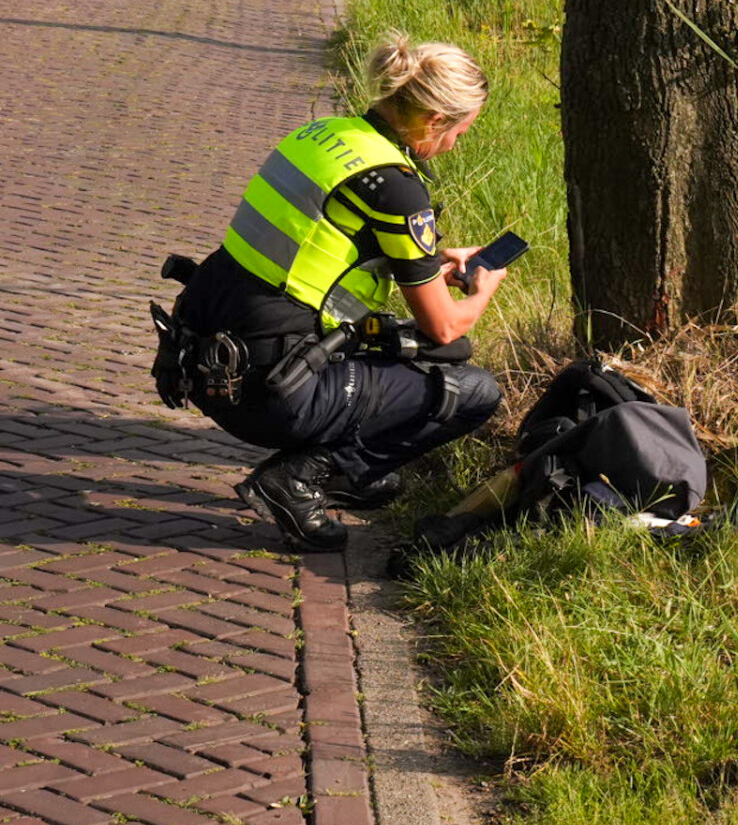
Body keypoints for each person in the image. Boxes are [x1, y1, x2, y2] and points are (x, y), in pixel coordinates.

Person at [171, 33, 506, 552]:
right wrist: (483, 287)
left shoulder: (321, 135)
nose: (456, 144)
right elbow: (444, 324)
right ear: (434, 120)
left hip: (204, 361)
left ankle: (349, 477)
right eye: (461, 131)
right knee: (471, 386)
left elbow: (309, 252)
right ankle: (301, 480)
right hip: (272, 392)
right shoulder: (397, 187)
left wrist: (432, 261)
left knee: (426, 351)